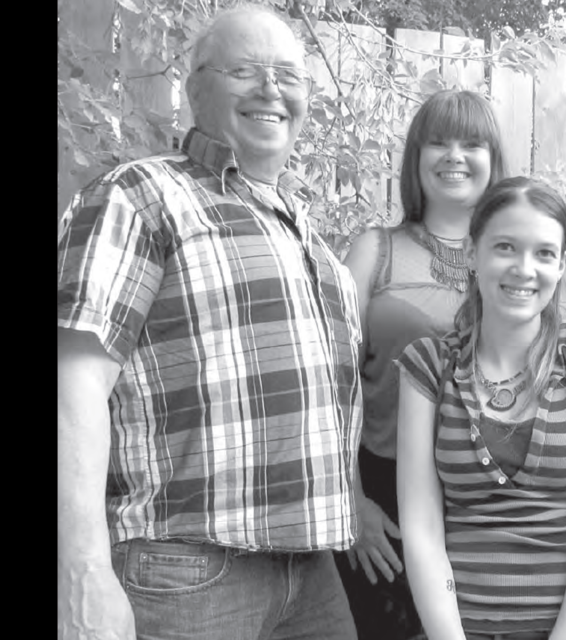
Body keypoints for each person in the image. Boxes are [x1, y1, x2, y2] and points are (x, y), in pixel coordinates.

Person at [57, 7, 362, 640]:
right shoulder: (141, 195)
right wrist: (80, 568)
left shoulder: (315, 245)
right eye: (244, 70)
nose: (271, 90)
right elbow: (72, 389)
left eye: (288, 75)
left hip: (311, 571)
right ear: (195, 89)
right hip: (183, 569)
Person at [396, 177, 566, 639]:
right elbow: (422, 527)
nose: (524, 269)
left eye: (544, 253)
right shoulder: (429, 365)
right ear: (472, 254)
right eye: (505, 247)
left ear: (563, 264)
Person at [335, 89, 506, 640]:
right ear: (416, 157)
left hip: (485, 500)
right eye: (438, 142)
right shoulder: (374, 250)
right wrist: (352, 502)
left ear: (493, 158)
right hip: (381, 499)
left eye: (471, 143)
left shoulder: (519, 257)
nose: (454, 156)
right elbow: (330, 382)